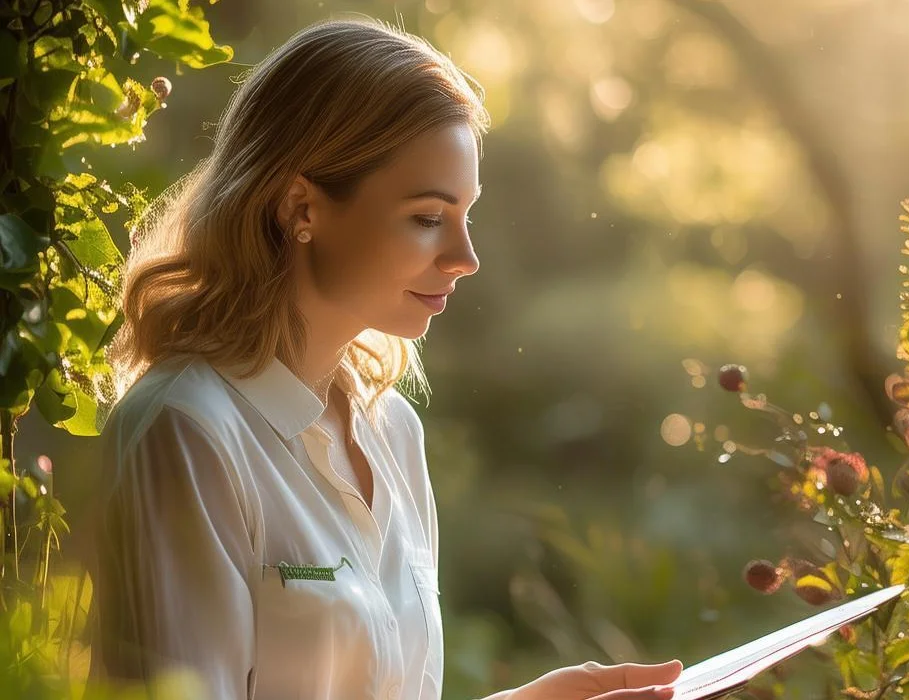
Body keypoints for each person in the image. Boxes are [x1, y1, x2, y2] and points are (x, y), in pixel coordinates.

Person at [83, 17, 683, 700]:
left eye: (466, 215)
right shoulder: (186, 432)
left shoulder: (391, 430)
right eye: (429, 217)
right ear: (300, 207)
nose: (466, 258)